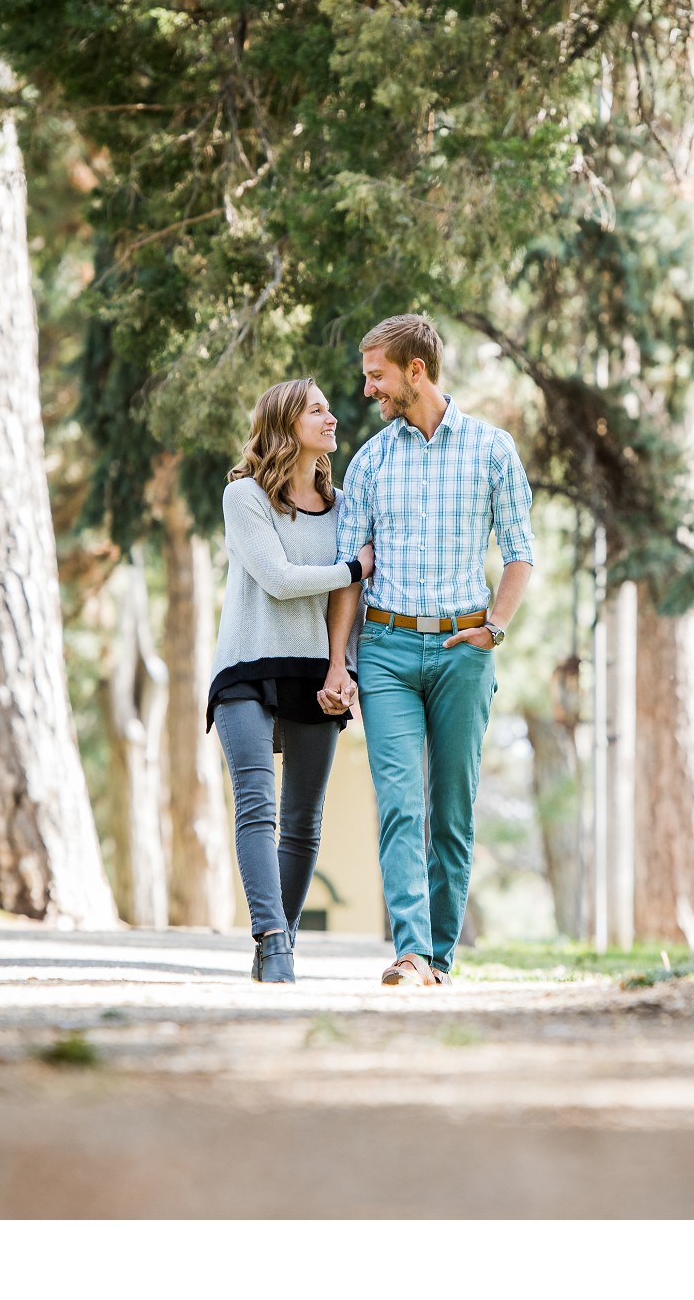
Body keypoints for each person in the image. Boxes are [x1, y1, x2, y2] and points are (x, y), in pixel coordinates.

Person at [321, 315, 535, 986]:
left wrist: (494, 626)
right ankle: (411, 950)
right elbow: (351, 573)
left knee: (451, 810)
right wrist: (340, 663)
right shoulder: (371, 460)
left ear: (417, 371)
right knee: (400, 802)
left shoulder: (492, 450)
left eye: (377, 374)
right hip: (385, 647)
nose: (367, 389)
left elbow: (520, 554)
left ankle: (440, 955)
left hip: (462, 649)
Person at [209, 378, 375, 984]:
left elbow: (347, 600)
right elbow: (279, 578)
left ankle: (283, 941)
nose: (331, 417)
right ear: (284, 423)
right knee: (257, 808)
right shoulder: (245, 497)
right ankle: (271, 938)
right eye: (317, 409)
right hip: (246, 668)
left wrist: (344, 669)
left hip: (314, 670)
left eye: (330, 409)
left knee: (304, 819)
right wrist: (353, 565)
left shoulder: (343, 507)